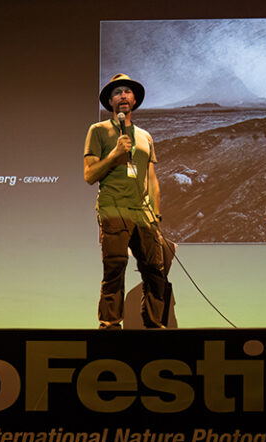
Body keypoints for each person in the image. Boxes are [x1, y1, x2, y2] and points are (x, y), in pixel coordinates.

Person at [83, 74, 166, 329]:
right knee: (115, 266)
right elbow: (89, 175)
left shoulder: (145, 136)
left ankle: (154, 324)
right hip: (113, 207)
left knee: (155, 268)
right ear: (110, 101)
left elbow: (151, 179)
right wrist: (115, 155)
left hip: (143, 212)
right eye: (117, 92)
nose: (123, 96)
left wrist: (157, 215)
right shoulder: (98, 131)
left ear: (134, 100)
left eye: (127, 92)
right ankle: (110, 324)